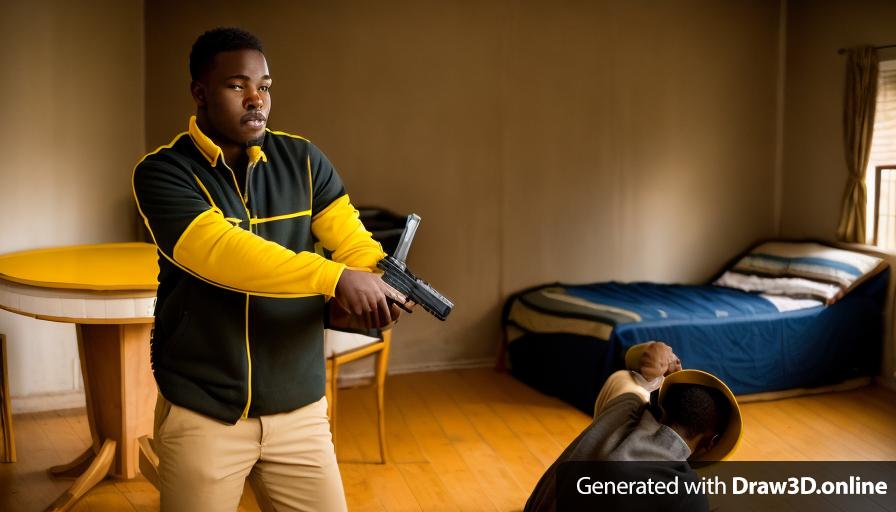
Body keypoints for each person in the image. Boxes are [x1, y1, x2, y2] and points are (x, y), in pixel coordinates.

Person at [132, 27, 408, 511]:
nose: (256, 99)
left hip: (300, 412)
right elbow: (220, 250)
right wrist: (335, 279)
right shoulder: (163, 172)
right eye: (237, 86)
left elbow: (352, 240)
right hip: (204, 413)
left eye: (265, 86)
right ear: (200, 92)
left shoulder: (303, 159)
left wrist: (377, 280)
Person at [523, 341, 742, 511]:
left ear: (662, 405)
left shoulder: (624, 406)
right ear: (711, 442)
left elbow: (632, 365)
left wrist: (661, 355)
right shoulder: (686, 493)